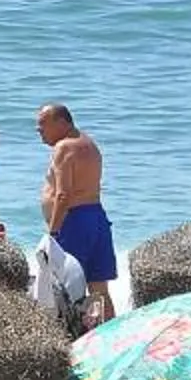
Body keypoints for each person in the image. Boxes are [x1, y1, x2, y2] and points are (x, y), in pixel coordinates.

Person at [36, 102, 115, 328]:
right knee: (99, 289)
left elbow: (63, 194)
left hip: (73, 221)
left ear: (61, 123)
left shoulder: (64, 147)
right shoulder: (88, 143)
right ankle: (108, 336)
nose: (38, 130)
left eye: (43, 124)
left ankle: (73, 339)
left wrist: (52, 233)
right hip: (96, 218)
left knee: (68, 288)